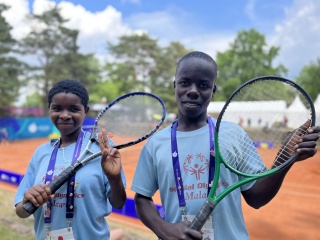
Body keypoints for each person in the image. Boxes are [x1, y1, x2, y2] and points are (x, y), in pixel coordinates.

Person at [131, 51, 320, 240]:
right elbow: (142, 198)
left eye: (203, 85)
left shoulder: (232, 134)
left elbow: (256, 198)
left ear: (212, 91)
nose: (193, 90)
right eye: (185, 82)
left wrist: (285, 157)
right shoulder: (156, 144)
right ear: (175, 86)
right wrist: (164, 229)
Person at [15, 79, 126, 240]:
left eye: (74, 109)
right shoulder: (41, 153)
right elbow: (21, 211)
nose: (65, 115)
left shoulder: (102, 149)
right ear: (49, 110)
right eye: (57, 108)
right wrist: (27, 199)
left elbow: (118, 203)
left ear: (85, 111)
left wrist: (114, 177)